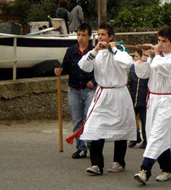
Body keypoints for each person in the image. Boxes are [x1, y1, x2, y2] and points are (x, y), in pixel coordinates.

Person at [77, 23, 136, 176]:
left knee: (120, 128)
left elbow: (128, 62)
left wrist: (114, 48)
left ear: (111, 37)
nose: (101, 38)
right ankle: (96, 164)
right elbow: (83, 66)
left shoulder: (120, 51)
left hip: (119, 94)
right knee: (95, 126)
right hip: (102, 94)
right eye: (99, 35)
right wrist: (96, 50)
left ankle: (119, 162)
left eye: (104, 35)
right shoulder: (96, 53)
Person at [133, 27, 171, 185]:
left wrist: (155, 54)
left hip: (166, 100)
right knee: (153, 135)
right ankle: (168, 168)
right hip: (153, 99)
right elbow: (142, 74)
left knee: (156, 134)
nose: (160, 44)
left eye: (164, 41)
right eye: (159, 41)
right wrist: (144, 55)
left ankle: (144, 170)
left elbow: (159, 67)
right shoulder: (157, 58)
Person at [54, 23, 96, 159]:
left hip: (90, 89)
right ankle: (81, 148)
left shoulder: (94, 51)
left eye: (84, 35)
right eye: (78, 34)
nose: (80, 38)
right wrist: (59, 70)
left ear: (89, 36)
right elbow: (65, 66)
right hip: (74, 89)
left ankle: (91, 144)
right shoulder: (71, 50)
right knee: (77, 119)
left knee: (88, 117)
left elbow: (101, 70)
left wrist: (94, 81)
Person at [127, 48, 149, 149]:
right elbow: (130, 81)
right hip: (132, 97)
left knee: (145, 120)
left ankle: (146, 139)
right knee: (131, 119)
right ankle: (135, 137)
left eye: (136, 56)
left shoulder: (147, 68)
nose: (134, 59)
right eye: (134, 56)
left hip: (144, 98)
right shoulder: (132, 67)